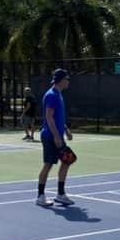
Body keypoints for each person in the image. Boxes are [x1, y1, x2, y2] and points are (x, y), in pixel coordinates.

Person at [37, 69, 76, 207]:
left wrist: (66, 130)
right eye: (67, 79)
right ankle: (40, 196)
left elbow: (58, 117)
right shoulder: (52, 95)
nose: (68, 81)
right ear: (62, 80)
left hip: (57, 135)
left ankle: (60, 194)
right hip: (50, 136)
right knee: (48, 164)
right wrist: (56, 136)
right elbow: (49, 116)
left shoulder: (59, 94)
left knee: (67, 160)